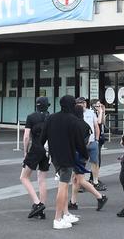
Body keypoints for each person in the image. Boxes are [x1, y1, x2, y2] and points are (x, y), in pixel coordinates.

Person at [39, 95, 88, 230]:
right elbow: (80, 143)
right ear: (72, 105)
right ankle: (57, 218)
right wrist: (85, 155)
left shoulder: (51, 118)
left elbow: (42, 138)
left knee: (64, 186)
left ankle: (65, 214)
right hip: (67, 158)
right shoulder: (73, 120)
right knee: (63, 187)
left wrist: (37, 153)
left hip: (55, 157)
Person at [68, 98, 108, 212]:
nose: (82, 105)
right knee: (76, 179)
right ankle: (73, 202)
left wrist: (95, 140)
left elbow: (97, 126)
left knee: (79, 179)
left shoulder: (77, 123)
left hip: (79, 152)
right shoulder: (81, 123)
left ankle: (100, 197)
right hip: (81, 151)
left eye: (83, 103)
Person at [21, 96, 50, 219]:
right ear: (47, 105)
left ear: (36, 105)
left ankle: (37, 203)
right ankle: (41, 210)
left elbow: (27, 136)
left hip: (36, 149)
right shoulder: (51, 117)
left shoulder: (31, 117)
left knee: (24, 177)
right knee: (42, 179)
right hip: (48, 150)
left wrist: (25, 151)